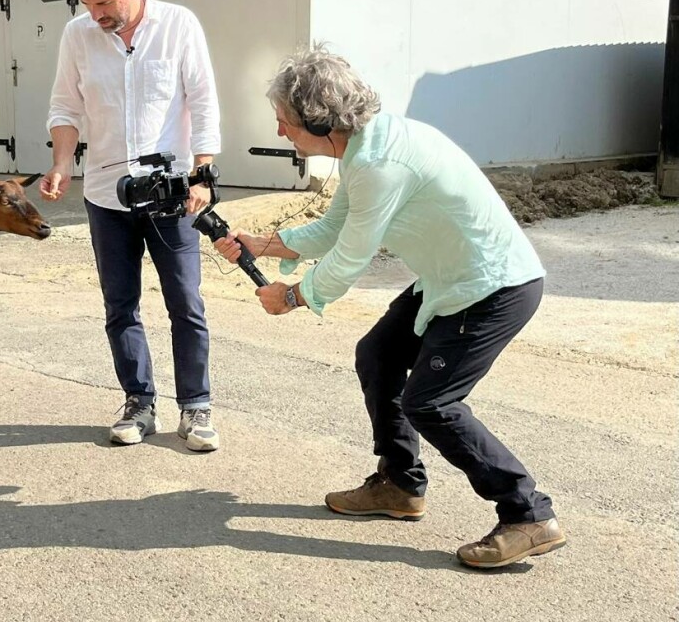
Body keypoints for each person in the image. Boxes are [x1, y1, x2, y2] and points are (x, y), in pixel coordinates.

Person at [214, 46, 565, 568]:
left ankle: (527, 513)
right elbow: (334, 227)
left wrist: (291, 296)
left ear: (319, 119)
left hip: (491, 288)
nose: (283, 133)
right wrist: (263, 244)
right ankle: (400, 485)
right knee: (377, 354)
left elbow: (351, 255)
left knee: (431, 402)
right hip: (449, 282)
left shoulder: (381, 163)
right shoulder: (366, 149)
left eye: (286, 122)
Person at [41, 0, 222, 452]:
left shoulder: (179, 25)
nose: (94, 14)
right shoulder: (77, 35)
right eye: (86, 3)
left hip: (172, 197)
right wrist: (60, 163)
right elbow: (64, 107)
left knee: (185, 302)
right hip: (105, 194)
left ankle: (196, 407)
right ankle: (139, 402)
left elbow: (204, 99)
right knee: (120, 306)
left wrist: (203, 170)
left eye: (103, 2)